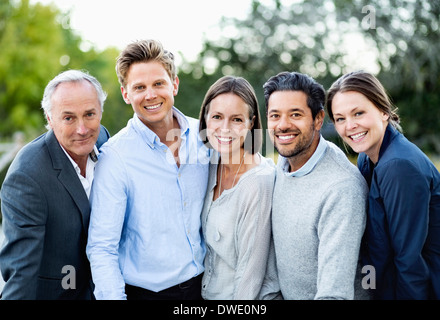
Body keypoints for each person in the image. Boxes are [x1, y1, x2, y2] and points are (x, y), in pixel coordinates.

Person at [86, 39, 211, 300]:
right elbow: (101, 247)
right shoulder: (115, 157)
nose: (150, 95)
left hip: (206, 288)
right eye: (139, 87)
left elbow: (249, 164)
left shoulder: (205, 136)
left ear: (174, 85)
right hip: (147, 293)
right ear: (126, 94)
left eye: (158, 84)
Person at [326, 70, 440, 300]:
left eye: (358, 113)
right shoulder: (366, 158)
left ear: (383, 111)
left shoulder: (398, 166)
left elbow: (409, 260)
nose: (350, 126)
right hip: (384, 287)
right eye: (340, 118)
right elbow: (374, 244)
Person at [0, 69, 110, 300]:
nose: (82, 129)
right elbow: (21, 272)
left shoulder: (104, 139)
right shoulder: (27, 176)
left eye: (90, 114)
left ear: (100, 111)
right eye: (68, 118)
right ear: (49, 119)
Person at [263, 71, 369, 300]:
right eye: (275, 115)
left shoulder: (341, 188)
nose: (283, 125)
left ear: (318, 119)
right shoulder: (283, 162)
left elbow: (335, 294)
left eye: (295, 114)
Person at [198, 76, 275, 299]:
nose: (225, 128)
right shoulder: (210, 165)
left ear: (251, 123)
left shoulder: (257, 182)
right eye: (217, 117)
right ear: (205, 119)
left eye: (236, 120)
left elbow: (249, 277)